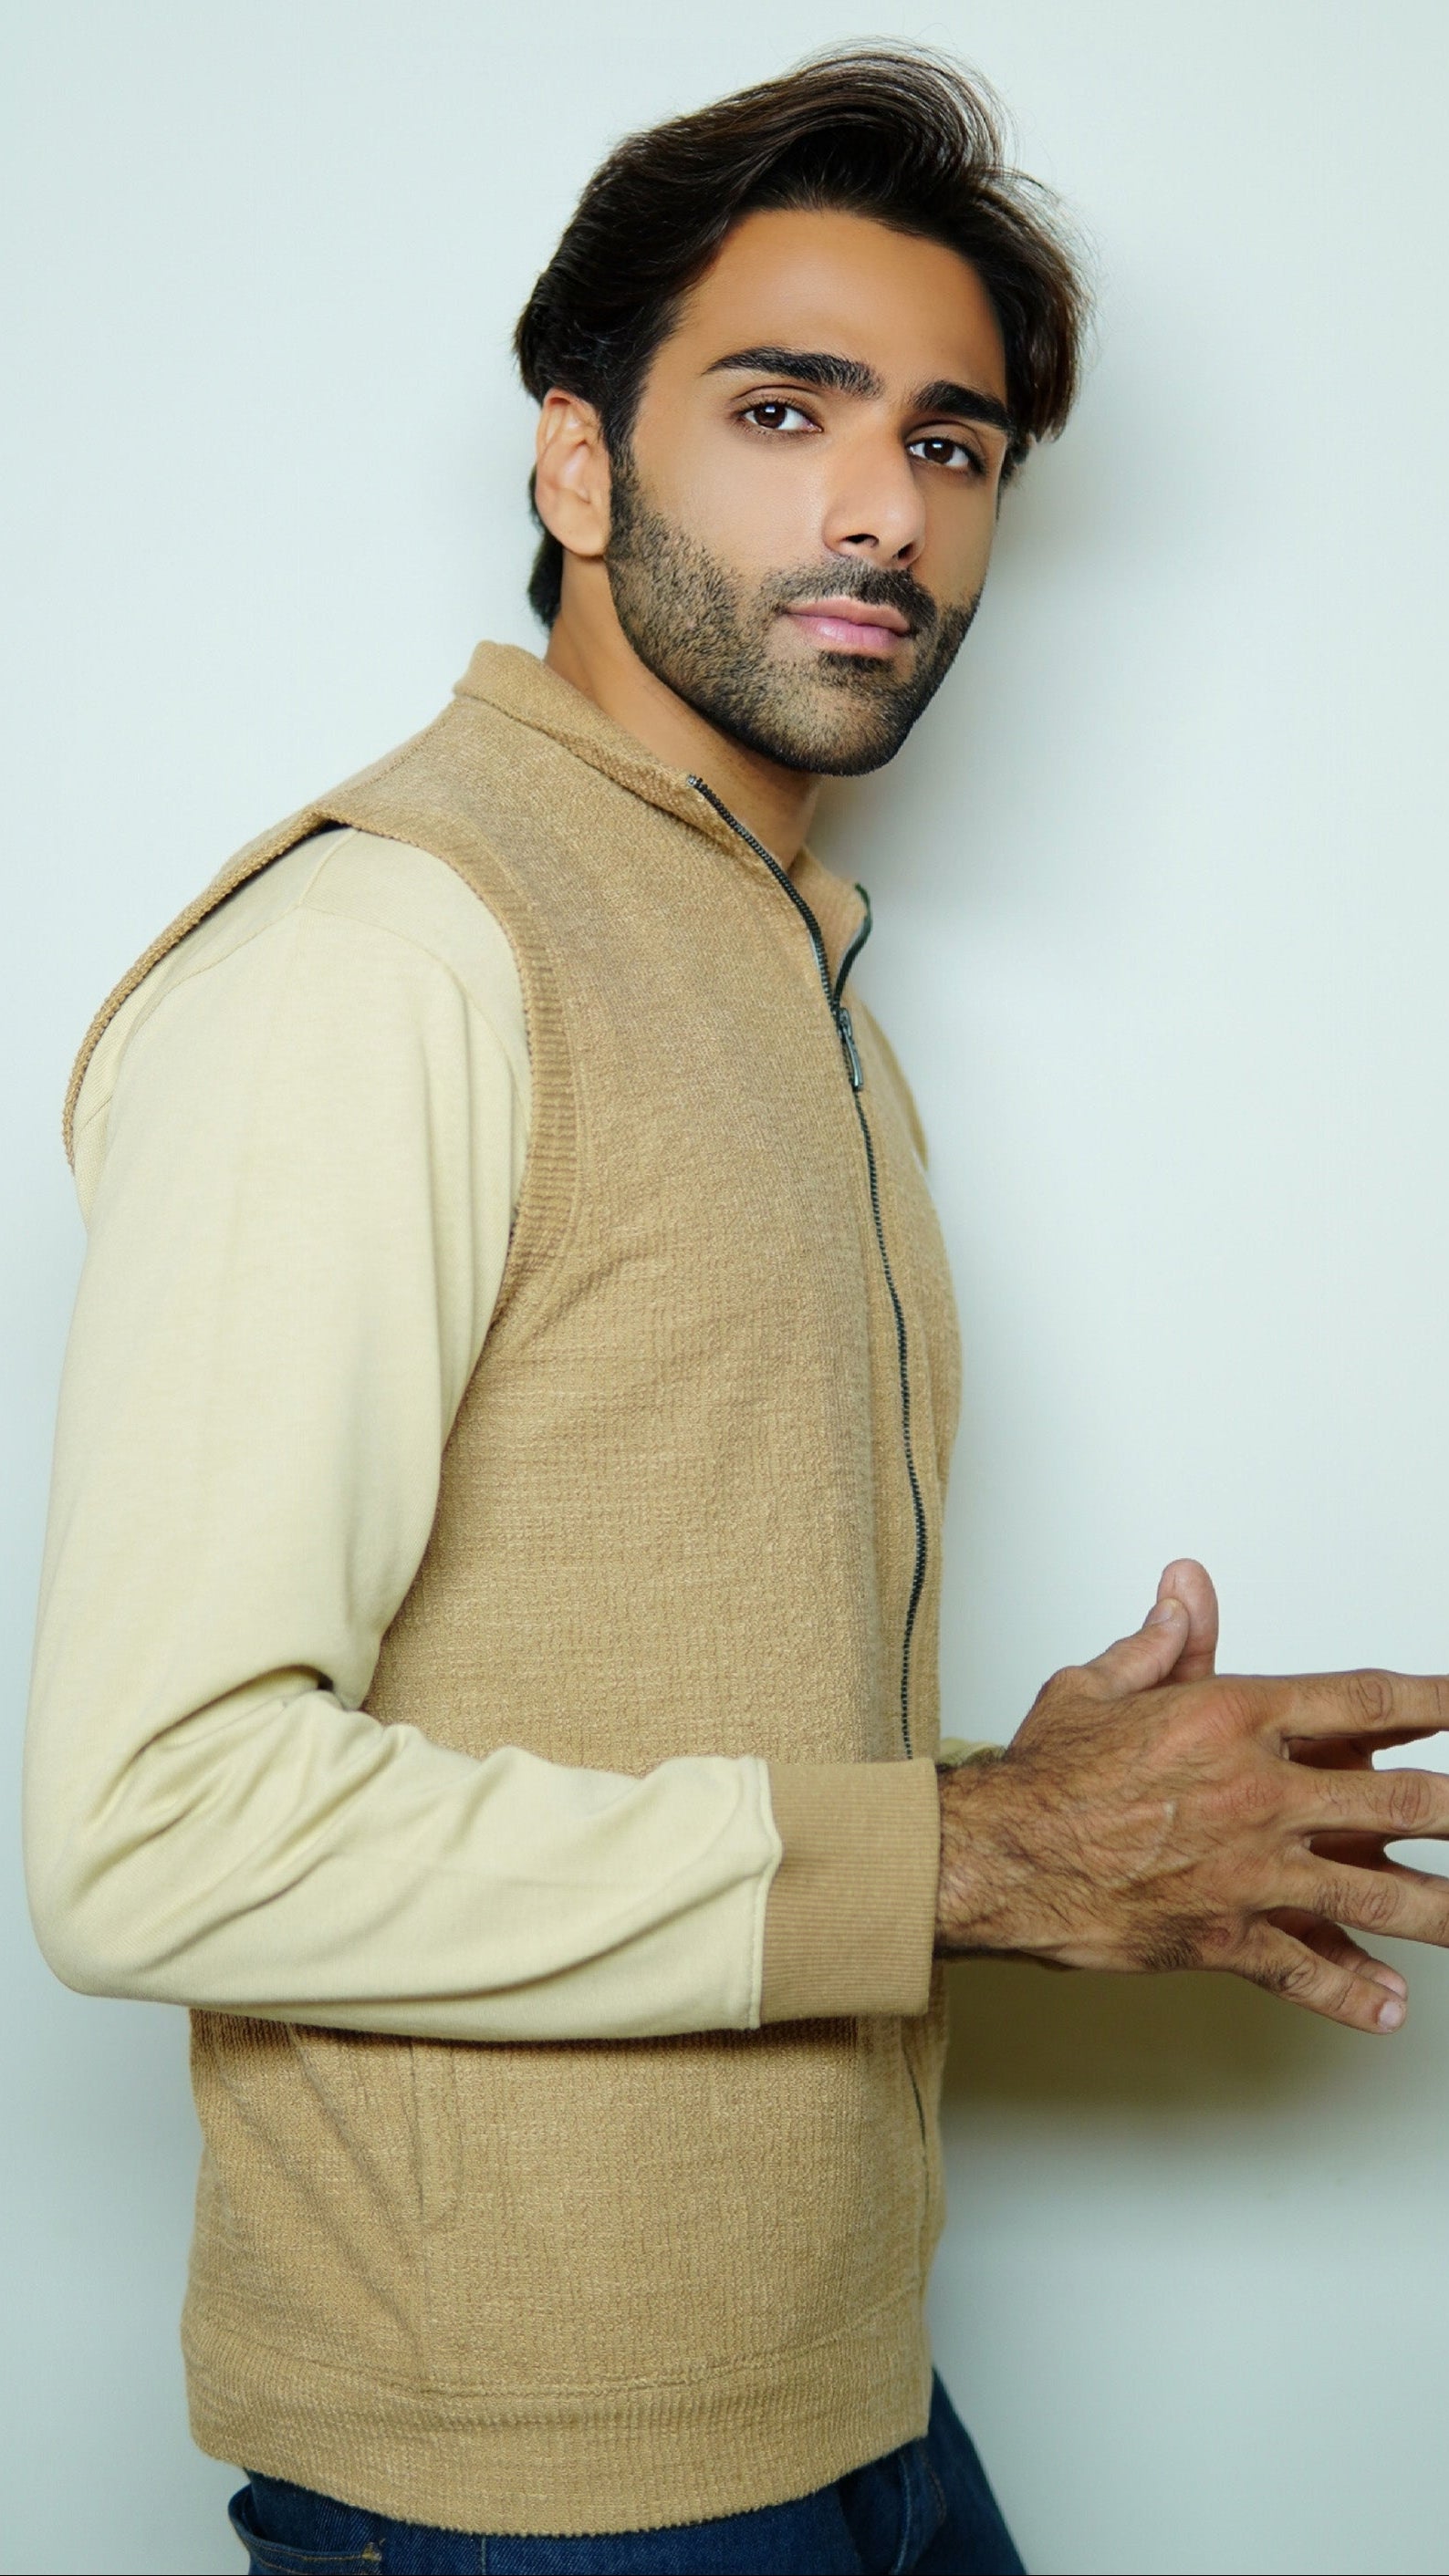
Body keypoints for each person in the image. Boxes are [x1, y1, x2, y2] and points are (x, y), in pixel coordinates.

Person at [24, 45, 1449, 2576]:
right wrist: (964, 1857)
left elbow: (562, 1701)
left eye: (952, 441)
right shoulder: (394, 950)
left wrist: (991, 1792)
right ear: (575, 466)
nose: (878, 509)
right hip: (525, 2493)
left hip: (845, 2395)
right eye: (780, 408)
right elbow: (155, 1835)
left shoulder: (778, 971)